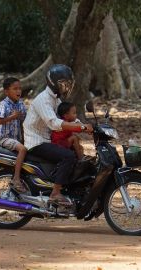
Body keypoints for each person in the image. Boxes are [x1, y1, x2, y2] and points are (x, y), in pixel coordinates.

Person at [23, 64, 93, 206]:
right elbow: (54, 123)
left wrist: (86, 127)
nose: (66, 87)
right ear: (54, 83)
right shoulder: (43, 99)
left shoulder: (56, 99)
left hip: (48, 139)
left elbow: (67, 118)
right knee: (68, 156)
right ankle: (55, 193)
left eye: (68, 84)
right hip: (37, 142)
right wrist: (80, 127)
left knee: (77, 149)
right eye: (64, 84)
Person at [0, 77, 27, 193]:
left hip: (17, 139)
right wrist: (12, 117)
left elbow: (25, 121)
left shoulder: (21, 104)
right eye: (15, 89)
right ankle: (16, 179)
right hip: (4, 138)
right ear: (6, 92)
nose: (18, 91)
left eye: (19, 88)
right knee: (22, 150)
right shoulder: (4, 105)